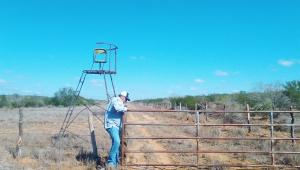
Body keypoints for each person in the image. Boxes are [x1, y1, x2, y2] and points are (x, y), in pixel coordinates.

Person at [104, 91, 130, 170]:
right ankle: (111, 162)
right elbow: (117, 108)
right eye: (126, 99)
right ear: (123, 96)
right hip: (111, 125)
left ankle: (115, 164)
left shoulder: (119, 101)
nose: (126, 100)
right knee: (117, 141)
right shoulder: (116, 100)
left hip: (116, 126)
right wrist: (126, 108)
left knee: (116, 143)